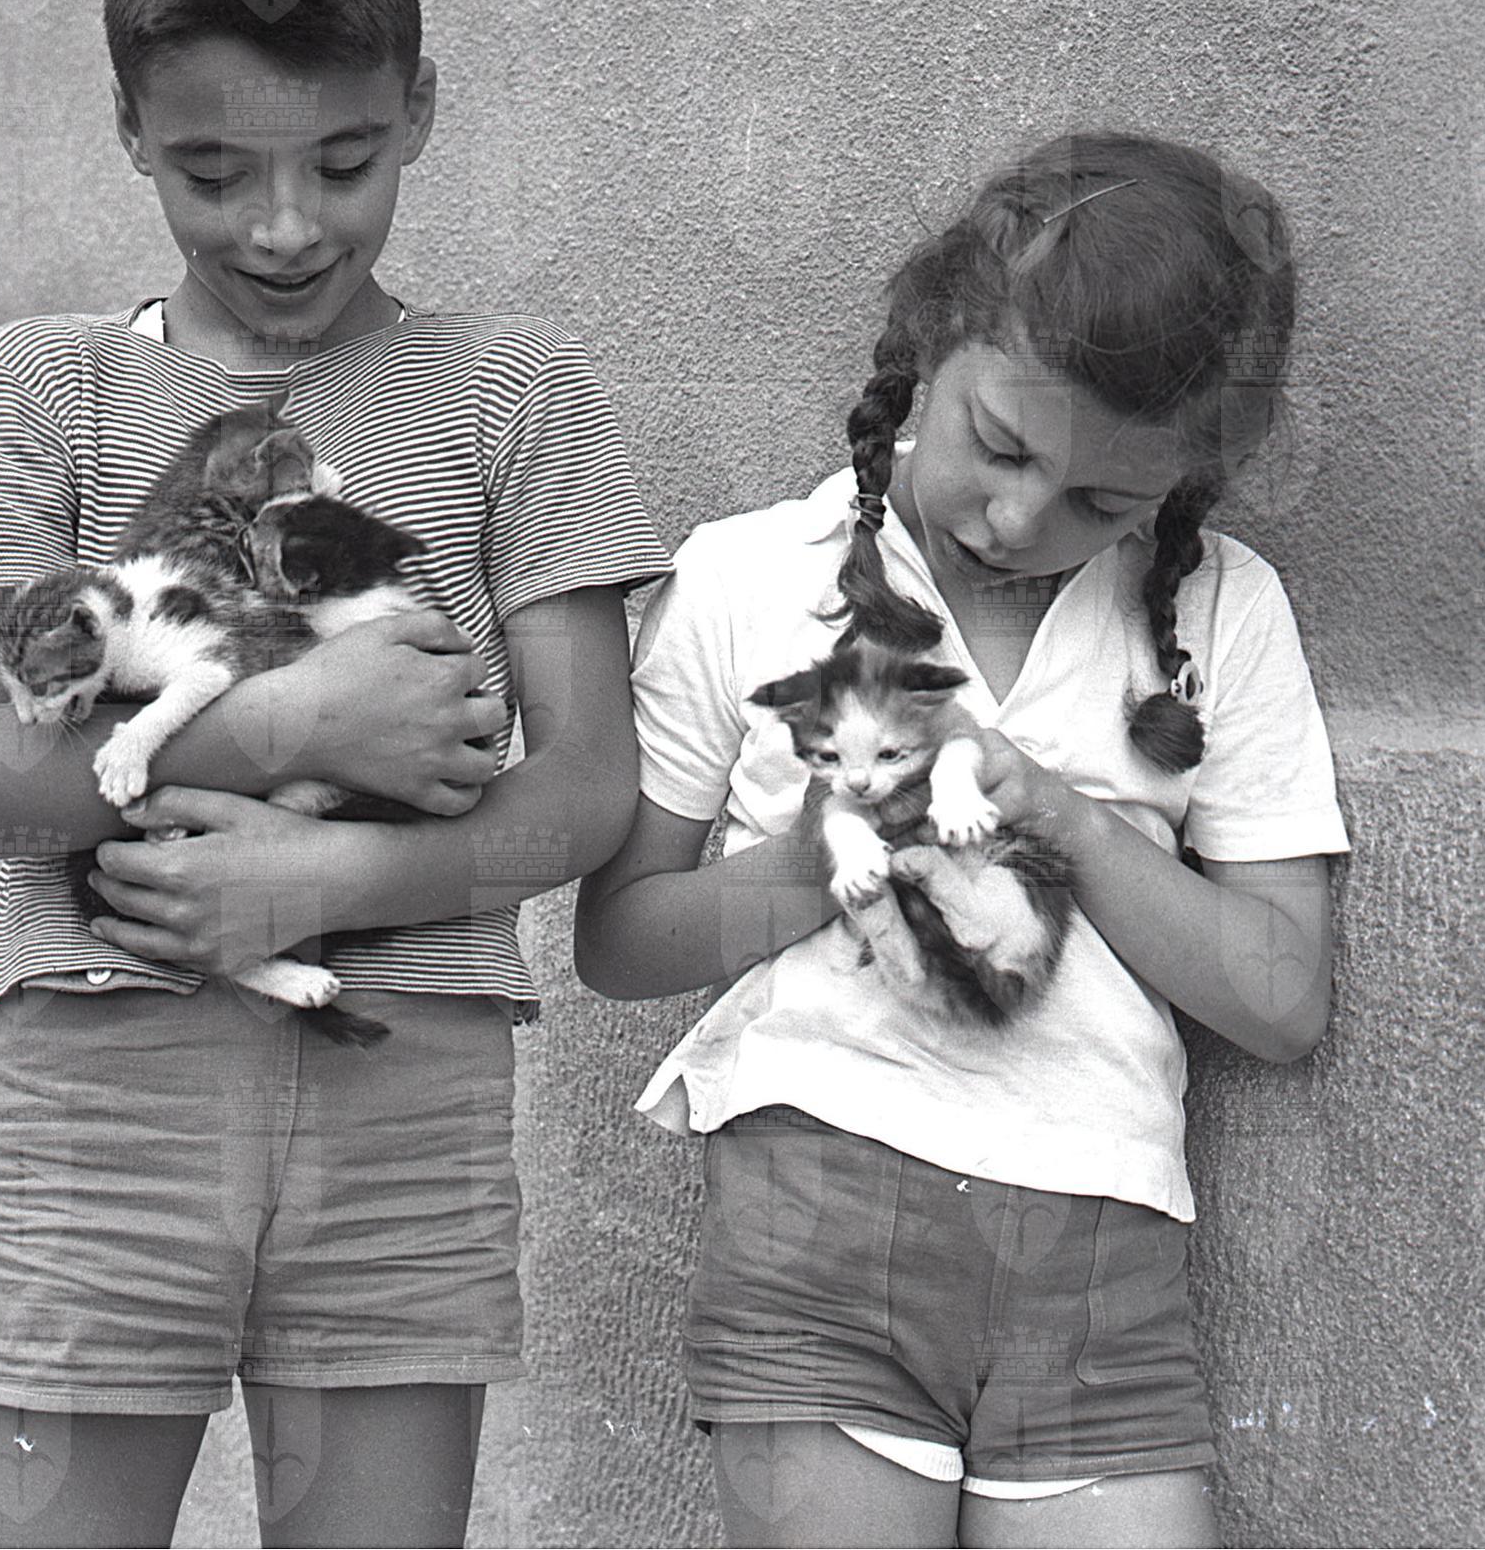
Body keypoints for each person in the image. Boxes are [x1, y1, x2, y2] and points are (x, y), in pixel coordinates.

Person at [0, 0, 666, 1548]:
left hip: (407, 1099)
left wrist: (325, 877)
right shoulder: (41, 392)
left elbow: (588, 791)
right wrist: (296, 729)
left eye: (344, 159)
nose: (283, 224)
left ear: (420, 108)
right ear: (127, 129)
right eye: (211, 169)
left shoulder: (516, 401)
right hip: (105, 1088)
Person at [576, 133, 1349, 1550]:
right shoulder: (747, 577)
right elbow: (619, 940)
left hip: (1103, 1247)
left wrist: (1056, 810)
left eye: (1102, 503)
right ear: (934, 342)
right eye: (1001, 446)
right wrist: (822, 861)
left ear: (1185, 484)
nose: (1018, 518)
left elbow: (1283, 999)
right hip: (816, 1216)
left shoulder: (1222, 613)